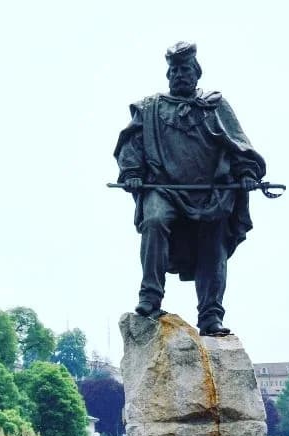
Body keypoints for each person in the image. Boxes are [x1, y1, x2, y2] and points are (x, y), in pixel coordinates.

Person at [114, 42, 266, 337]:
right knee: (155, 219)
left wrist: (246, 172)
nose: (179, 75)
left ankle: (210, 315)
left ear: (196, 73)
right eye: (174, 70)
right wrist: (132, 172)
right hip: (164, 188)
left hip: (211, 193)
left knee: (213, 243)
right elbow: (131, 143)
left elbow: (240, 145)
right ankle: (150, 296)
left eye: (185, 69)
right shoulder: (150, 108)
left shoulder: (215, 106)